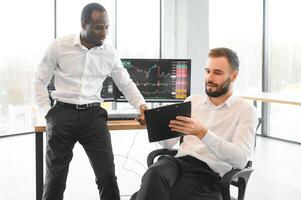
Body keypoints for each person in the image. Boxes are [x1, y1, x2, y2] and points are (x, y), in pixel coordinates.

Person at [34, 3, 147, 200]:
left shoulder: (109, 52)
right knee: (55, 181)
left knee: (107, 177)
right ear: (83, 24)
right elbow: (39, 81)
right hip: (62, 114)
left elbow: (125, 83)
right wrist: (48, 112)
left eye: (106, 27)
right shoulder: (59, 46)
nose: (104, 33)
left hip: (93, 116)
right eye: (98, 27)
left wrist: (141, 106)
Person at [131, 47, 258, 200]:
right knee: (154, 172)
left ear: (234, 76)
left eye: (217, 73)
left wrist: (203, 133)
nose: (209, 78)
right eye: (207, 71)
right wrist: (153, 125)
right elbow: (168, 144)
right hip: (177, 163)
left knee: (146, 196)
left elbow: (241, 159)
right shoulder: (192, 101)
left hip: (208, 173)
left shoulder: (245, 110)